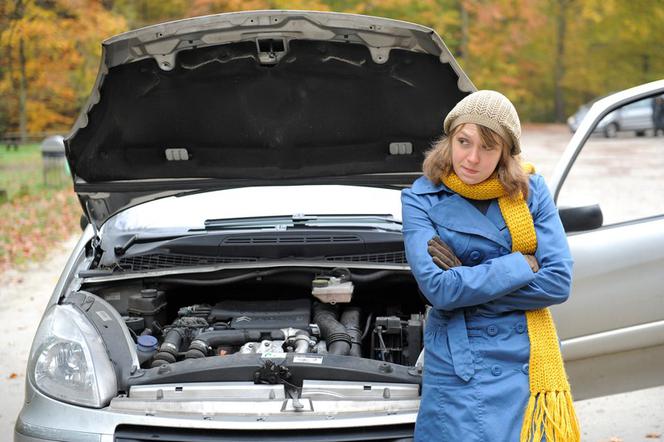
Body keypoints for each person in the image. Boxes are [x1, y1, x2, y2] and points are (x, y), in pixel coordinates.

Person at [401, 90, 580, 441]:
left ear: (505, 153)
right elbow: (438, 289)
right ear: (449, 138)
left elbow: (558, 282)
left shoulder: (531, 191)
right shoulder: (420, 198)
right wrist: (518, 265)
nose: (471, 158)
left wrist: (462, 282)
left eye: (488, 147)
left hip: (525, 358)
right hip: (458, 362)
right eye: (464, 141)